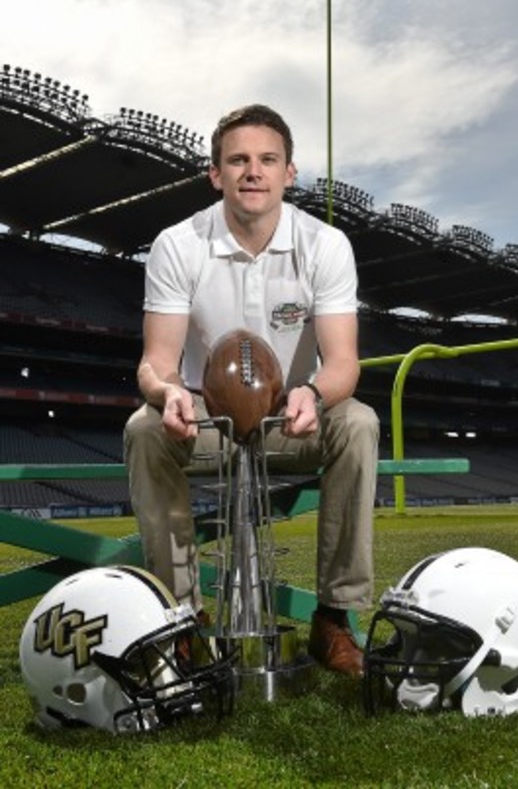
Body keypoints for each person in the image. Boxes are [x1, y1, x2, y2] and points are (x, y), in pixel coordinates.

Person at [124, 104, 379, 678]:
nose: (253, 171)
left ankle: (334, 618)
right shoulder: (178, 244)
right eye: (238, 160)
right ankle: (180, 623)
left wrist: (312, 394)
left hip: (289, 420)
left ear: (290, 172)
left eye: (268, 159)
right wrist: (169, 397)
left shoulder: (325, 244)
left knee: (358, 422)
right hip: (204, 421)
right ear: (216, 174)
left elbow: (343, 362)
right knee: (142, 428)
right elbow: (155, 364)